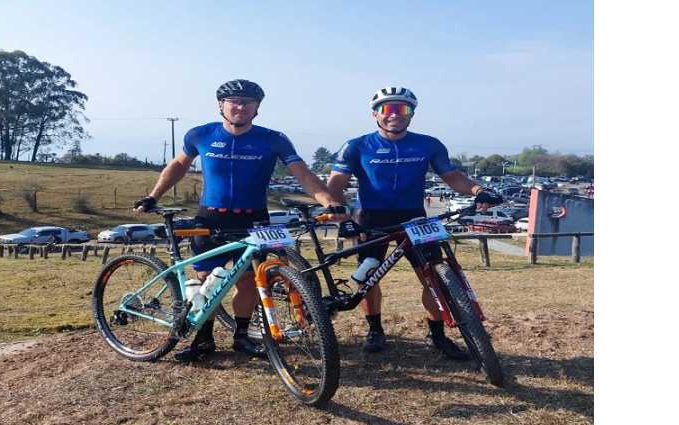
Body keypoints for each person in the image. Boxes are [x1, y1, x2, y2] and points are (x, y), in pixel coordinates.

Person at [134, 79, 344, 362]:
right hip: (210, 218)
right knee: (208, 280)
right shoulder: (200, 134)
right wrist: (153, 196)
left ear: (257, 108)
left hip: (254, 220)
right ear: (222, 105)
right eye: (234, 101)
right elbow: (179, 166)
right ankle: (203, 339)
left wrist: (328, 201)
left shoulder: (274, 139)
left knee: (249, 283)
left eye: (248, 102)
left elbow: (303, 174)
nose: (241, 106)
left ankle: (241, 336)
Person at [327, 86, 502, 357]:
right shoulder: (356, 145)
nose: (395, 115)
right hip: (371, 218)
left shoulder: (428, 144)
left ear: (412, 114)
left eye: (403, 109)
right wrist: (341, 215)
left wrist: (479, 190)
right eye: (387, 109)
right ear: (375, 114)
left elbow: (453, 177)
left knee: (435, 277)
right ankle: (374, 329)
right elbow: (335, 184)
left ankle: (438, 334)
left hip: (415, 218)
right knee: (369, 278)